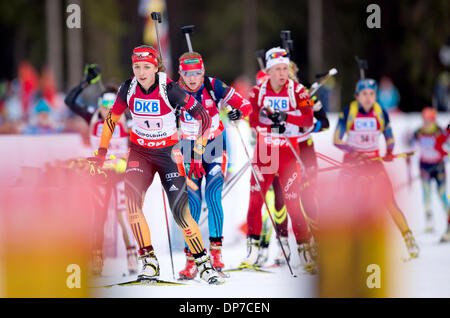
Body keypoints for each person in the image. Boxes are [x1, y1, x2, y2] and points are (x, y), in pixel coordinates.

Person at [92, 45, 223, 284]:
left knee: (180, 213)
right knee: (133, 206)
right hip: (140, 152)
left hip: (168, 154)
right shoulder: (128, 88)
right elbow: (111, 119)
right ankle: (149, 260)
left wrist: (199, 147)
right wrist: (102, 152)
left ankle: (203, 263)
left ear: (155, 67)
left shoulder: (169, 89)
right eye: (137, 67)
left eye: (146, 67)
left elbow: (203, 116)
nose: (141, 72)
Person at [176, 52, 252, 279]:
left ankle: (216, 256)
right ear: (181, 73)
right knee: (192, 204)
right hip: (189, 149)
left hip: (214, 146)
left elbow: (245, 105)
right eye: (188, 74)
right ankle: (192, 260)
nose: (192, 78)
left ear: (203, 70)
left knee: (213, 195)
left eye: (197, 73)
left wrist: (239, 112)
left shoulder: (214, 85)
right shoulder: (173, 91)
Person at [243, 47, 316, 273]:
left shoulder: (298, 91)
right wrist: (269, 123)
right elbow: (252, 119)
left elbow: (308, 119)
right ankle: (253, 250)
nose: (283, 73)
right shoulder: (258, 92)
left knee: (293, 205)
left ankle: (304, 250)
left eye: (285, 68)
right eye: (277, 69)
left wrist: (286, 116)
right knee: (256, 202)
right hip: (265, 152)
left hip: (287, 153)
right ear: (268, 71)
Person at [64, 64, 138, 276]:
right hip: (100, 174)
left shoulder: (127, 117)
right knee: (100, 216)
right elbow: (69, 101)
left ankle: (133, 256)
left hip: (121, 173)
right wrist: (85, 83)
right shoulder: (93, 116)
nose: (107, 109)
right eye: (103, 104)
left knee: (125, 215)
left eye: (111, 104)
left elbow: (138, 141)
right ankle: (97, 257)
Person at [333, 78, 419, 259]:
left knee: (388, 200)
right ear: (357, 96)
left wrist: (389, 151)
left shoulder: (380, 112)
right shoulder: (349, 112)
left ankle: (408, 237)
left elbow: (389, 137)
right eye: (364, 94)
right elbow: (337, 139)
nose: (368, 98)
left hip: (373, 162)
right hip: (352, 162)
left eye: (371, 94)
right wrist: (353, 152)